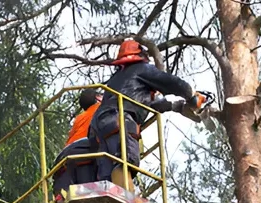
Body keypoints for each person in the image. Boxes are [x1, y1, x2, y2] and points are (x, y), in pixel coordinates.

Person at [88, 39, 205, 192]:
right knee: (124, 161)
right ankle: (127, 200)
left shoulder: (116, 80)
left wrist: (176, 106)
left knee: (106, 172)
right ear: (140, 53)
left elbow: (146, 103)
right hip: (120, 119)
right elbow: (170, 82)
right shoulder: (142, 69)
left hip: (97, 127)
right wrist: (191, 96)